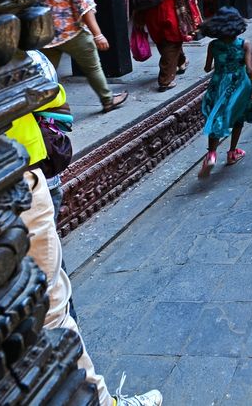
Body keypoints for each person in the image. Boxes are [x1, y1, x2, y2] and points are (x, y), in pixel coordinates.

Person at [10, 51, 162, 406]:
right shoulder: (10, 54)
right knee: (55, 308)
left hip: (2, 181)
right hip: (25, 175)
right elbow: (51, 93)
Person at [41, 0, 128, 112]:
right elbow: (85, 9)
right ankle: (107, 100)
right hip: (73, 33)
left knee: (46, 74)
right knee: (93, 68)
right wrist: (98, 34)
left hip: (46, 34)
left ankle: (45, 105)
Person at [197, 7, 252, 177]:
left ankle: (211, 154)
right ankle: (232, 152)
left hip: (218, 83)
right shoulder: (244, 44)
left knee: (217, 116)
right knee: (239, 116)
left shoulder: (213, 45)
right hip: (240, 83)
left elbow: (207, 67)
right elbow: (250, 70)